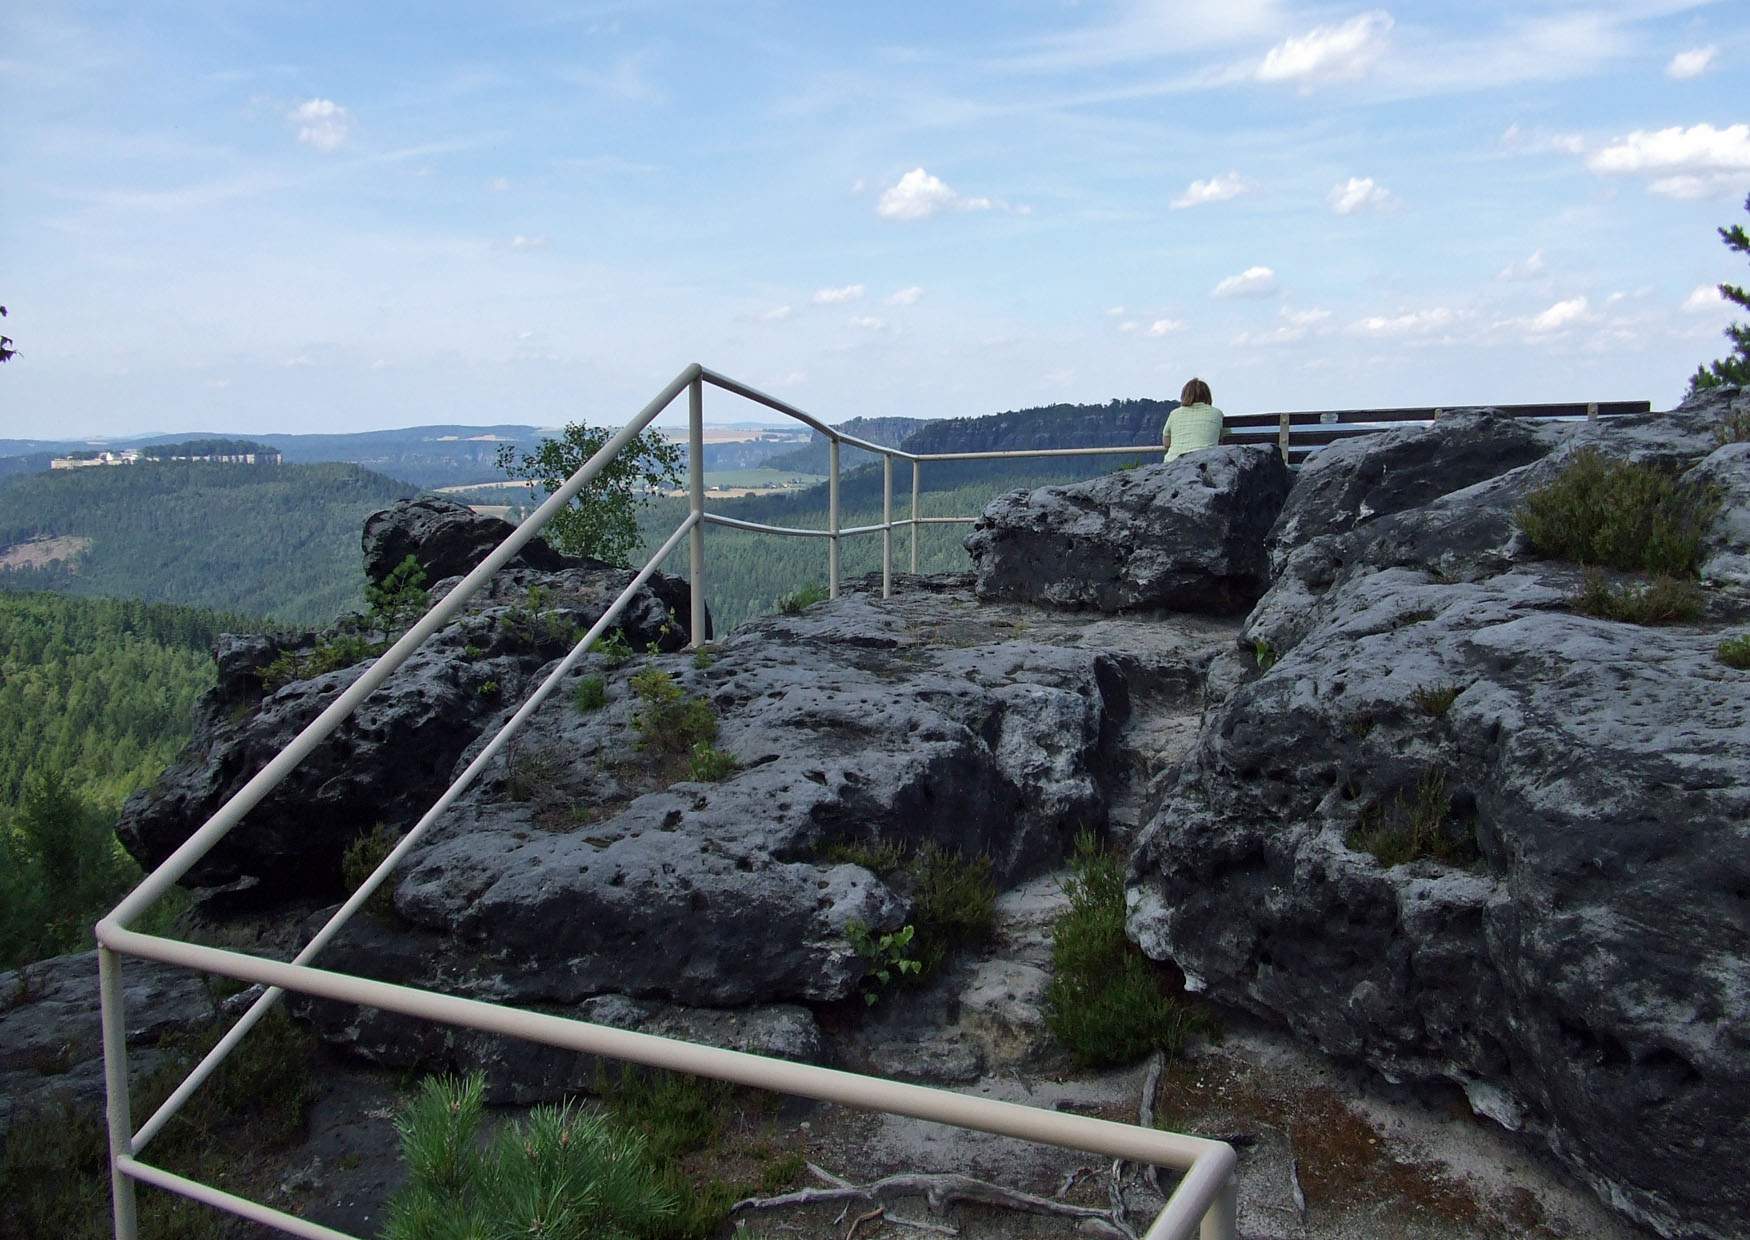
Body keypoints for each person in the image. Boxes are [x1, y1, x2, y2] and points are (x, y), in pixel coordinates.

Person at [1163, 378, 1223, 463]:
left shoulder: (1174, 414)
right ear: (1207, 395)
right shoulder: (1216, 413)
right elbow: (1226, 437)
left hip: (1173, 463)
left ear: (1184, 395)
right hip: (1205, 463)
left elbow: (1166, 443)